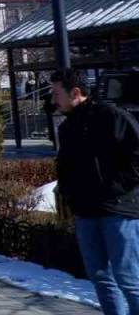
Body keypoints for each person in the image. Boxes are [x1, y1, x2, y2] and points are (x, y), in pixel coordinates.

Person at [52, 68, 139, 314]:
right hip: (86, 212)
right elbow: (66, 166)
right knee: (100, 277)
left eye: (57, 93)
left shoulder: (112, 116)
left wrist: (115, 188)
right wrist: (70, 194)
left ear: (75, 93)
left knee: (128, 278)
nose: (53, 99)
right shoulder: (67, 127)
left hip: (118, 210)